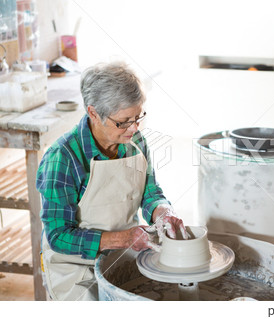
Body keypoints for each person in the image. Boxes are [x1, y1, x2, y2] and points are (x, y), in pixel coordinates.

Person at [36, 61, 188, 301]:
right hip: (75, 269)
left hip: (123, 256)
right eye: (124, 121)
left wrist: (163, 211)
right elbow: (57, 236)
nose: (134, 128)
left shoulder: (135, 143)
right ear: (93, 113)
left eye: (138, 117)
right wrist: (124, 238)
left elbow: (149, 192)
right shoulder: (63, 158)